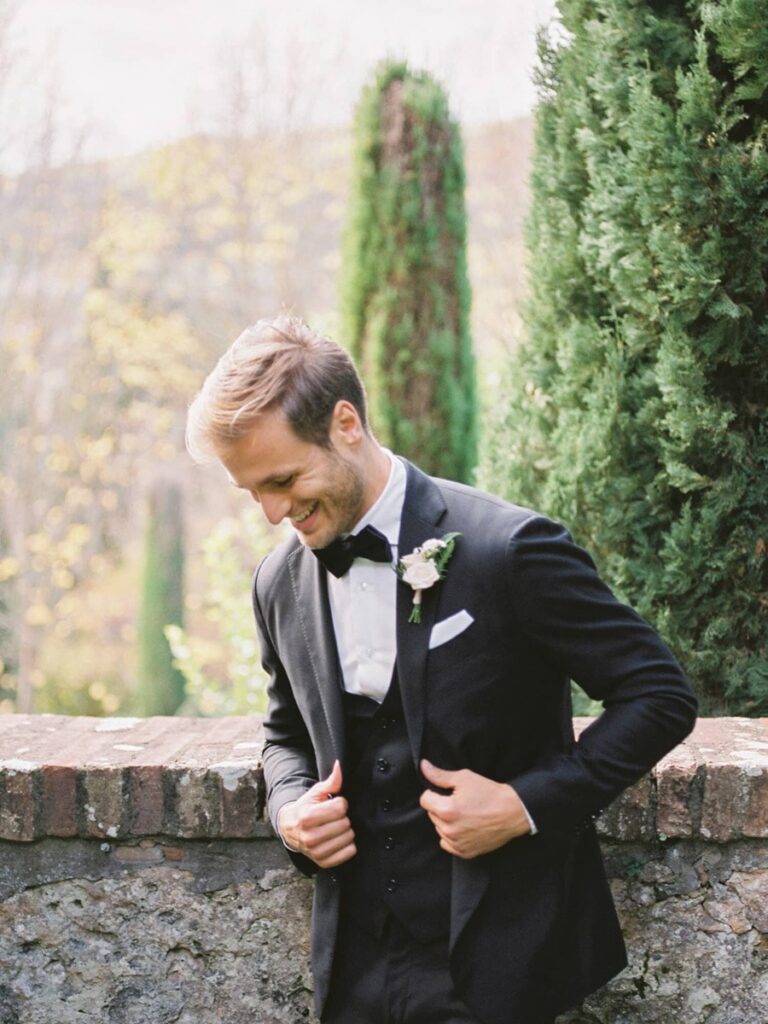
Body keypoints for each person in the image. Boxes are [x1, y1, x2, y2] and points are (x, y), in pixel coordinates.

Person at [186, 315, 698, 1024]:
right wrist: (290, 810)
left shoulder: (508, 549)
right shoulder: (278, 582)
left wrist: (524, 806)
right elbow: (285, 734)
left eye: (283, 479)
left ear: (345, 424)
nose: (273, 512)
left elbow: (660, 695)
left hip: (504, 954)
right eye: (252, 493)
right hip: (354, 964)